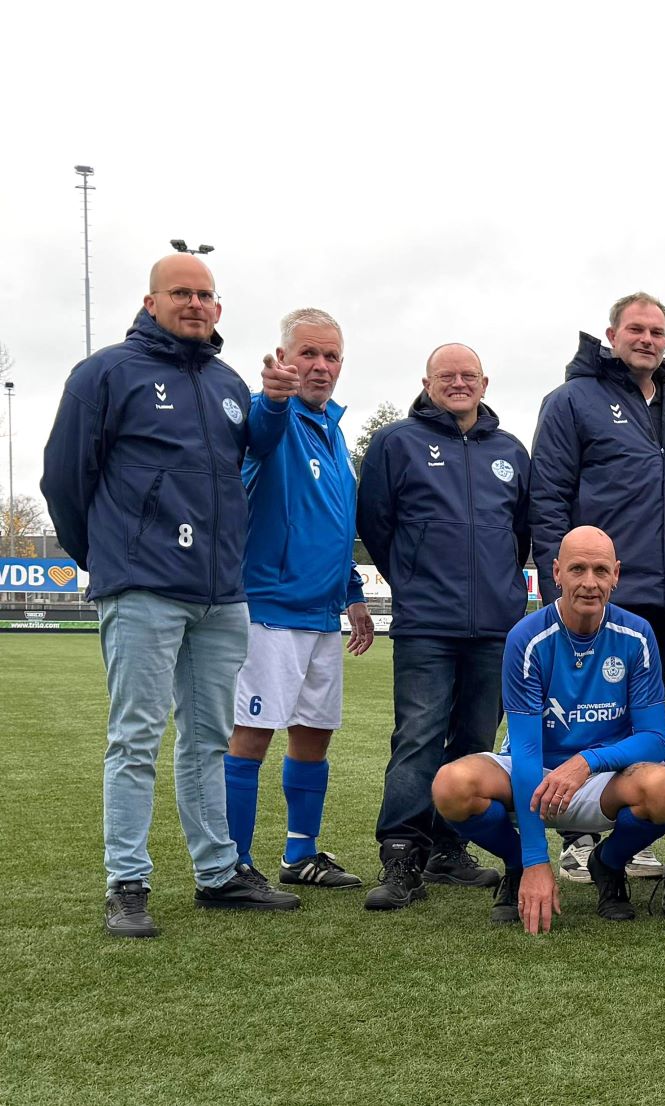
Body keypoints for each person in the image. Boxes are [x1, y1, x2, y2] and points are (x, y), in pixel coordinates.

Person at [44, 253, 303, 937]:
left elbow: (257, 450)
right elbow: (64, 481)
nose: (195, 303)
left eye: (206, 294)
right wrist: (106, 558)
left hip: (221, 592)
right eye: (181, 292)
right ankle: (126, 882)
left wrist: (273, 403)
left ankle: (217, 873)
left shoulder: (225, 380)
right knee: (135, 737)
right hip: (144, 589)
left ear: (218, 309)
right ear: (151, 301)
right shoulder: (105, 373)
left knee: (208, 739)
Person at [431, 527, 665, 933]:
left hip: (607, 776)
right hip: (537, 773)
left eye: (600, 570)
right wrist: (535, 860)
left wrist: (587, 761)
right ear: (556, 572)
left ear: (616, 574)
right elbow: (527, 754)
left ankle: (609, 863)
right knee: (452, 785)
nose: (589, 582)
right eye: (577, 569)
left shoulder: (637, 636)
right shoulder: (527, 637)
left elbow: (655, 740)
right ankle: (516, 865)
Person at [356, 342, 532, 910]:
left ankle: (449, 848)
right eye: (446, 376)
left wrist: (501, 590)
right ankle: (402, 854)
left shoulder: (510, 450)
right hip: (426, 622)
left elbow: (520, 534)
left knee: (475, 742)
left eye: (469, 375)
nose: (458, 383)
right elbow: (377, 525)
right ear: (427, 382)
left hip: (496, 627)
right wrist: (413, 577)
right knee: (418, 738)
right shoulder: (395, 442)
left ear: (485, 382)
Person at [224, 309, 374, 891]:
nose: (320, 366)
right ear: (283, 357)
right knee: (252, 734)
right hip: (269, 610)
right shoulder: (276, 419)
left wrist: (354, 593)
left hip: (322, 614)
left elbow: (337, 526)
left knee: (314, 731)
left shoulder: (332, 430)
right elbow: (261, 428)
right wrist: (273, 397)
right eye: (307, 354)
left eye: (330, 356)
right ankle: (232, 861)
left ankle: (300, 854)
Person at [530, 291, 665, 683]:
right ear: (611, 334)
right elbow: (547, 500)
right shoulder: (571, 400)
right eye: (635, 329)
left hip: (664, 602)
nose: (647, 339)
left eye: (656, 332)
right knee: (582, 716)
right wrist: (562, 589)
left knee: (646, 717)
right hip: (599, 596)